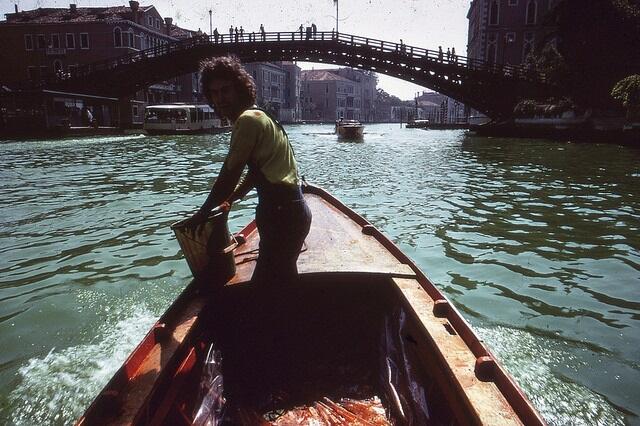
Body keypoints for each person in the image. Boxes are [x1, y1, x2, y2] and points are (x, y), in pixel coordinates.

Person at [183, 56, 312, 287]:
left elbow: (229, 175)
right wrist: (230, 200)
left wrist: (202, 214)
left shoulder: (247, 121)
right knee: (284, 284)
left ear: (240, 89)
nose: (220, 98)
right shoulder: (261, 116)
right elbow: (256, 174)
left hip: (280, 216)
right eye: (214, 93)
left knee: (264, 290)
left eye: (226, 90)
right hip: (294, 212)